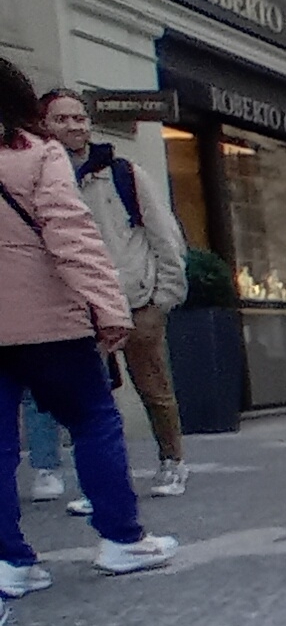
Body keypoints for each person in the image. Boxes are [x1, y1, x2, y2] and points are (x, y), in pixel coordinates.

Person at [0, 55, 179, 594]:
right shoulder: (36, 156)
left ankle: (11, 561)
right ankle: (121, 539)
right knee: (95, 419)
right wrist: (108, 307)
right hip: (50, 321)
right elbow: (71, 236)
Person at [39, 90, 191, 499]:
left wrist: (164, 299)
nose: (73, 126)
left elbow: (165, 236)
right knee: (91, 401)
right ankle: (104, 481)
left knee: (154, 388)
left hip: (136, 300)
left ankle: (172, 462)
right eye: (62, 119)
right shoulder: (42, 179)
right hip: (78, 307)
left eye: (79, 117)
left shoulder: (123, 173)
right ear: (44, 126)